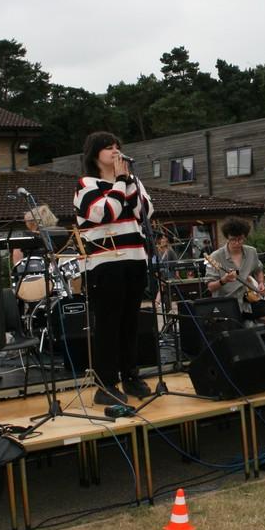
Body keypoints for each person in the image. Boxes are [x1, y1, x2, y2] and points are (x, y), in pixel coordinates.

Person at [74, 131, 155, 406]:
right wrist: (120, 182)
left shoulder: (132, 181)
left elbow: (144, 212)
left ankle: (131, 375)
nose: (115, 151)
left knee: (131, 322)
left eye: (117, 146)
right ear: (95, 154)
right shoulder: (86, 185)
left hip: (134, 258)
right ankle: (106, 384)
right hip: (104, 264)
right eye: (108, 148)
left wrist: (127, 181)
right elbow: (105, 212)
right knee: (108, 324)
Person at [205, 217, 265, 324]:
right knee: (238, 328)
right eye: (233, 239)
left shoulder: (251, 252)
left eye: (240, 239)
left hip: (249, 300)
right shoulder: (215, 256)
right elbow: (210, 287)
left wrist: (261, 283)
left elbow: (258, 269)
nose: (237, 243)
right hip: (226, 304)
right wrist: (224, 280)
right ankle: (251, 324)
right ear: (227, 237)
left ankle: (259, 327)